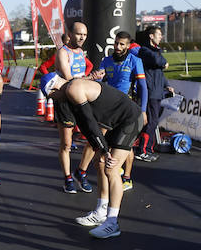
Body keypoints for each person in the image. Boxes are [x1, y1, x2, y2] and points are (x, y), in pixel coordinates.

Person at [49, 78, 143, 239]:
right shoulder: (70, 93)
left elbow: (90, 121)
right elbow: (85, 126)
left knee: (111, 168)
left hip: (130, 120)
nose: (53, 100)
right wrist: (99, 148)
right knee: (99, 163)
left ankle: (112, 222)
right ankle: (101, 211)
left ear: (54, 89)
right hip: (116, 122)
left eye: (52, 97)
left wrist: (105, 150)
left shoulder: (73, 89)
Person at [94, 31, 146, 192]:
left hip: (127, 109)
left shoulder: (135, 61)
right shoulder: (106, 60)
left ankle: (127, 178)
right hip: (109, 109)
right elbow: (100, 79)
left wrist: (143, 111)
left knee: (126, 144)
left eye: (122, 44)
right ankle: (118, 169)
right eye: (116, 43)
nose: (117, 46)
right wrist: (95, 77)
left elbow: (143, 87)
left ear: (128, 46)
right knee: (106, 143)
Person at [54, 25, 96, 193]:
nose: (82, 37)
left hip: (82, 99)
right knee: (67, 144)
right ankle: (68, 178)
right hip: (65, 101)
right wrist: (89, 78)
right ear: (70, 34)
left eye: (85, 34)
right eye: (79, 34)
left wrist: (92, 77)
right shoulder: (63, 52)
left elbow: (85, 72)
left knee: (94, 138)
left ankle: (81, 172)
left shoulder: (80, 53)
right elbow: (69, 79)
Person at [135, 26, 173, 161]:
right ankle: (142, 150)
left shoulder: (156, 51)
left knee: (153, 122)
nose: (161, 37)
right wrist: (165, 62)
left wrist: (167, 85)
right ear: (151, 36)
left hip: (157, 92)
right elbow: (159, 62)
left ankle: (148, 148)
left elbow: (159, 73)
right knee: (151, 122)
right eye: (159, 34)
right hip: (150, 92)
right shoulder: (145, 50)